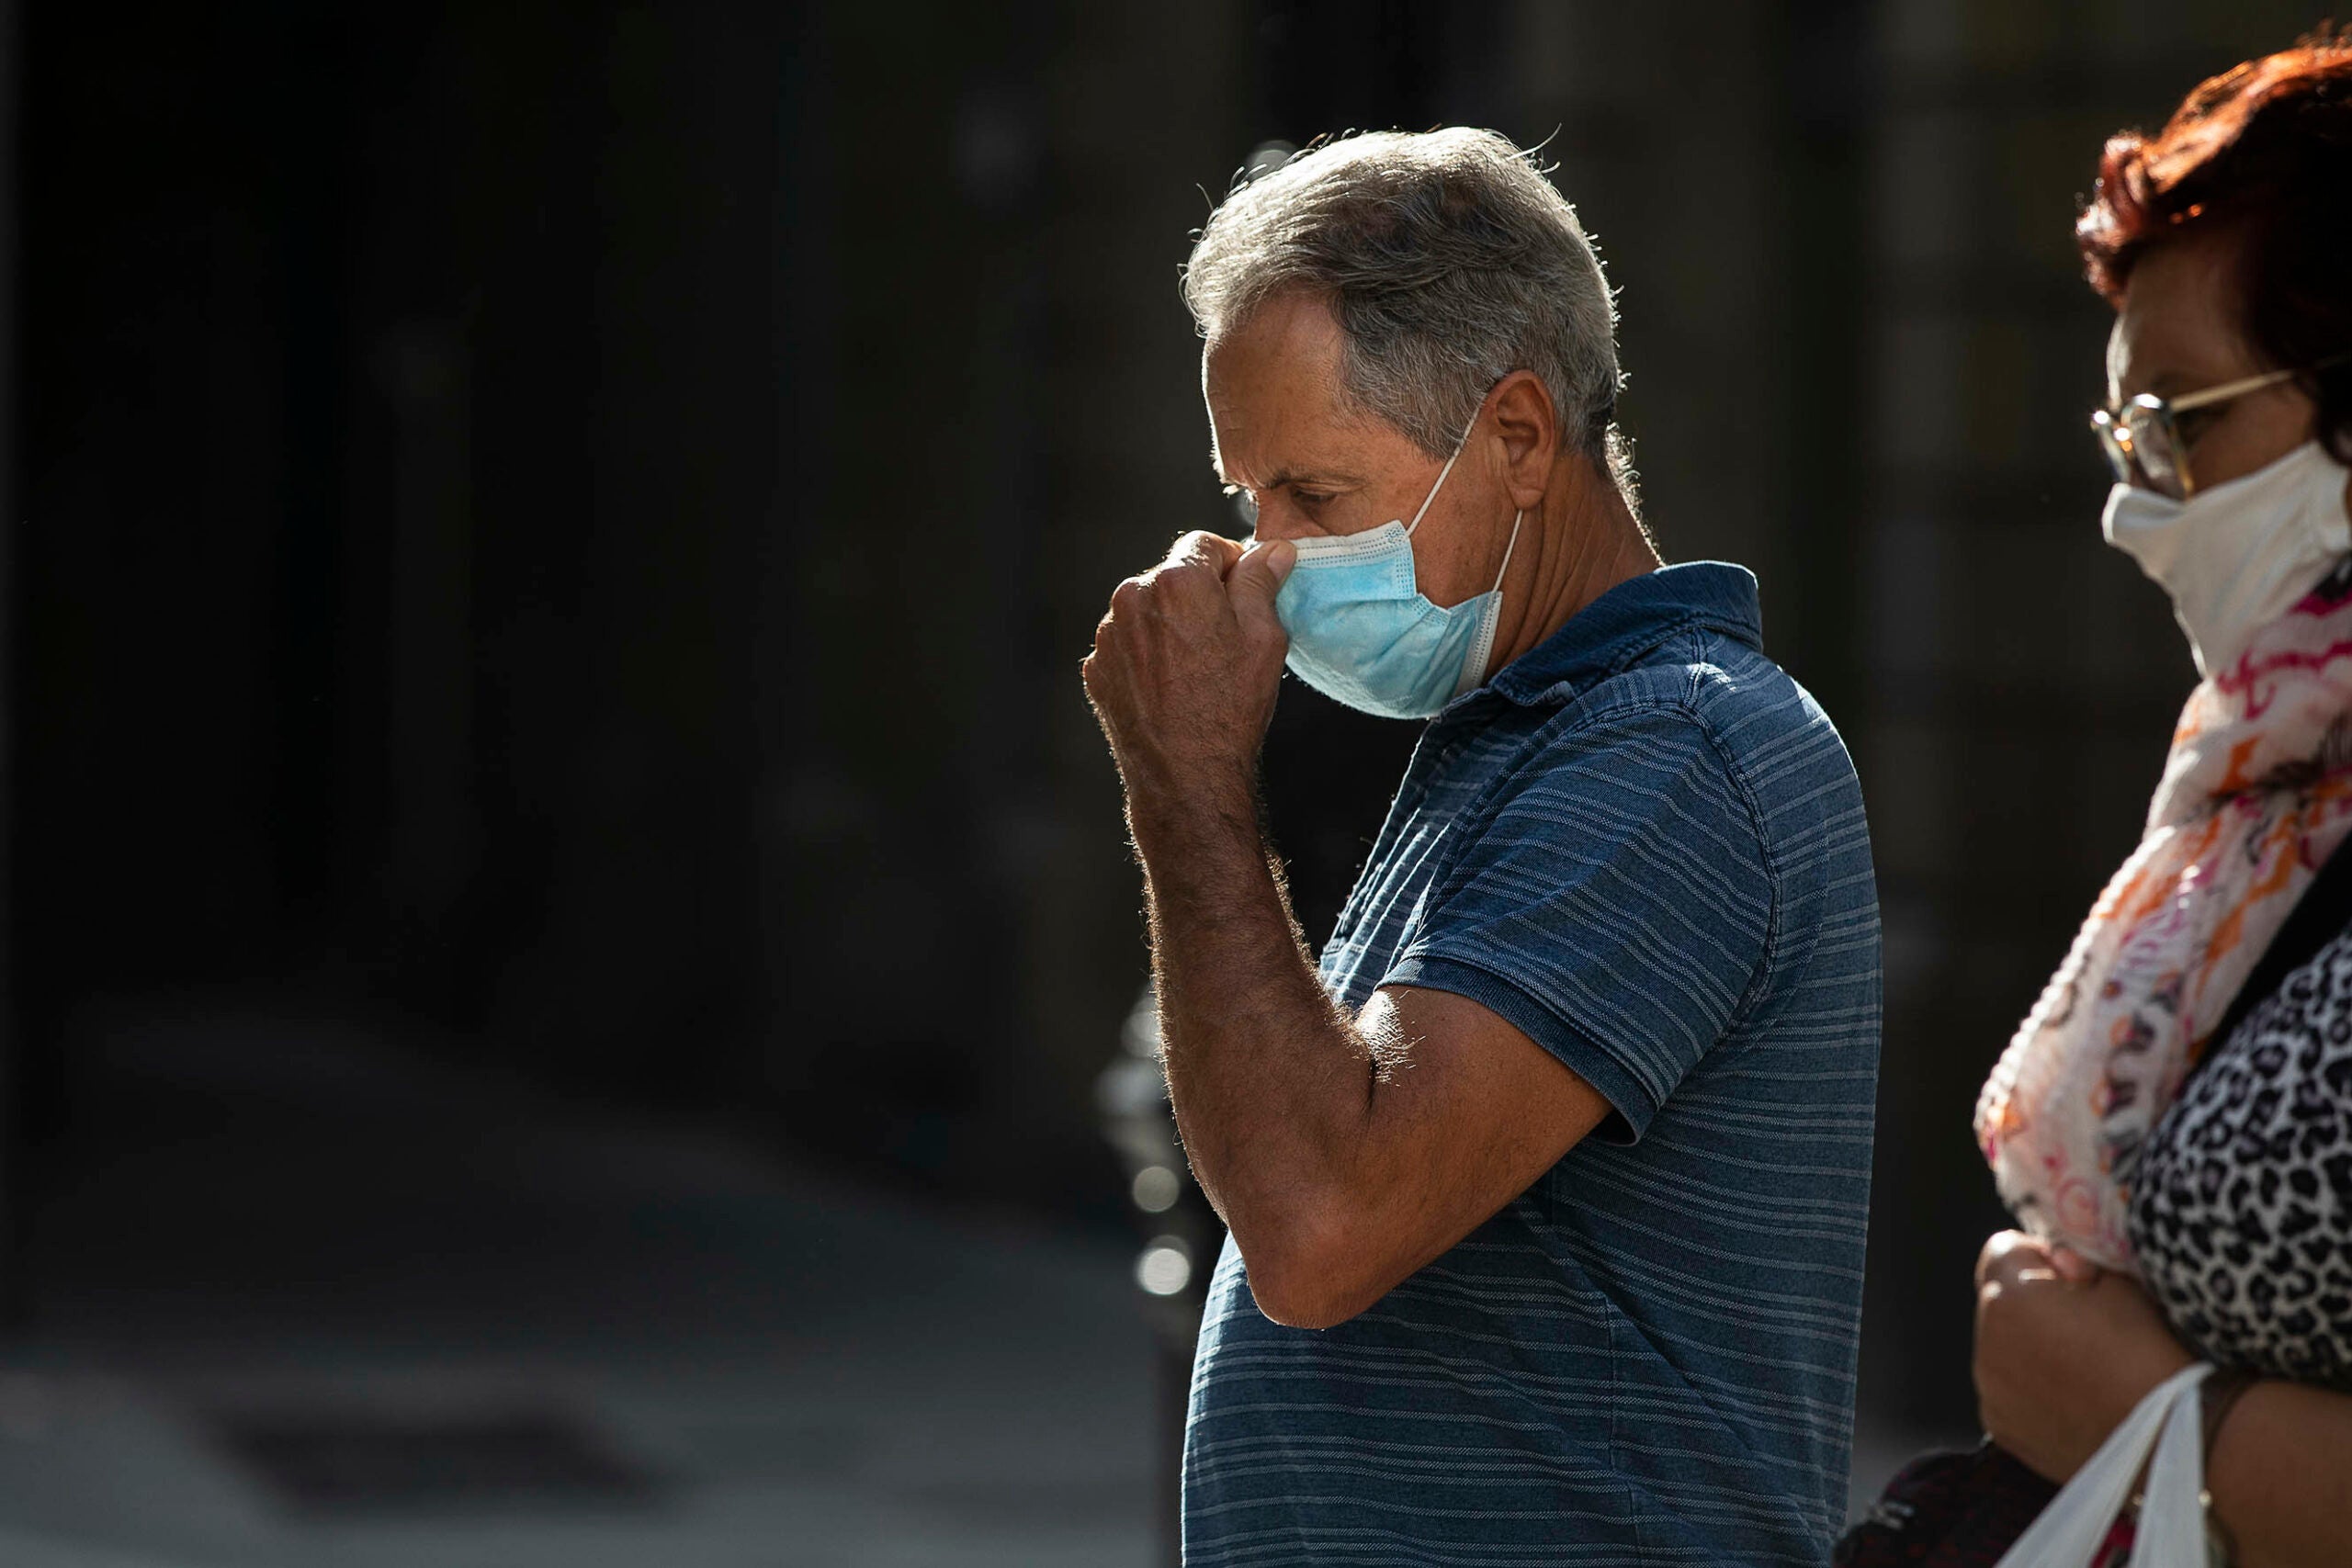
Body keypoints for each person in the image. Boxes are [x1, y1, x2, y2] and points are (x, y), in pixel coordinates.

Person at [1081, 129, 1882, 1565]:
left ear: (1515, 440)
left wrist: (1184, 781)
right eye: (1244, 498)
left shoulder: (1668, 753)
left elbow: (1323, 1224)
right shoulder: (1523, 735)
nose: (1259, 560)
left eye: (1311, 498)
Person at [1966, 37, 2352, 1567]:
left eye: (2184, 425)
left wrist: (2151, 1418)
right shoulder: (2274, 793)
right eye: (2130, 436)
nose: (2135, 508)